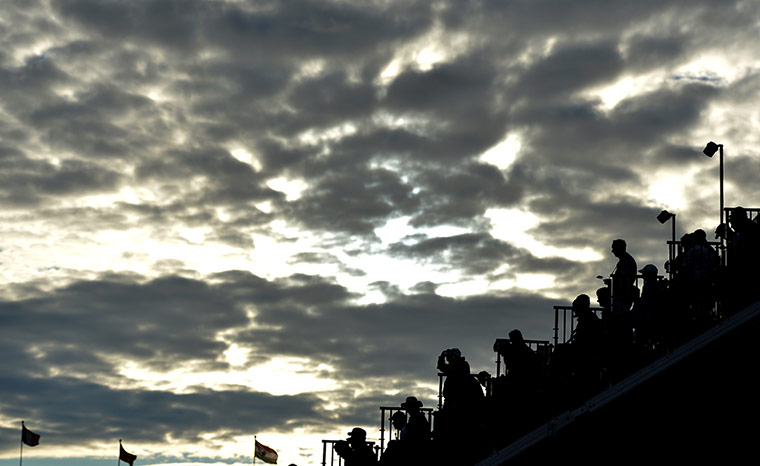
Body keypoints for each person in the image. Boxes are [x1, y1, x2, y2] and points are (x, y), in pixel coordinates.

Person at [610, 239, 638, 312]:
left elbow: (624, 279)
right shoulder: (625, 259)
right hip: (624, 294)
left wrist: (613, 282)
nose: (612, 251)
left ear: (619, 248)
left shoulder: (625, 261)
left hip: (623, 295)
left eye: (613, 248)